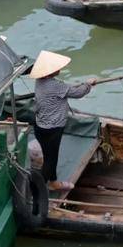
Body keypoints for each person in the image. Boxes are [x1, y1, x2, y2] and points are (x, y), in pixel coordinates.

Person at [30, 50, 96, 191]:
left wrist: (82, 84)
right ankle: (38, 189)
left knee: (49, 156)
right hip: (52, 129)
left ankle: (53, 183)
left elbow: (66, 89)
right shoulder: (55, 86)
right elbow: (78, 93)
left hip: (40, 126)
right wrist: (88, 84)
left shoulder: (40, 81)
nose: (59, 69)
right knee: (50, 160)